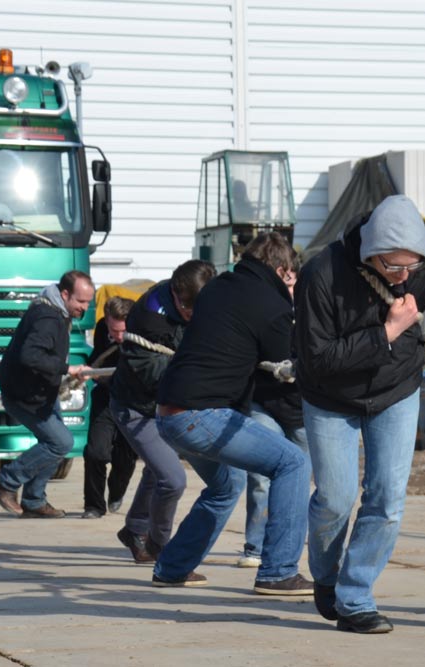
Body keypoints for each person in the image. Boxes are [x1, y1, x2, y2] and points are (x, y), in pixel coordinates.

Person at [295, 194, 425, 633]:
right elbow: (319, 359)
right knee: (336, 497)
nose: (404, 278)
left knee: (387, 499)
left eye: (411, 268)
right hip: (330, 396)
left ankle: (355, 595)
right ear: (370, 253)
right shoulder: (320, 275)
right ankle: (325, 577)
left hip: (395, 387)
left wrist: (408, 315)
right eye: (392, 267)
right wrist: (389, 330)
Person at [154, 232, 314, 595]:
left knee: (227, 484)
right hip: (202, 415)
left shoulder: (218, 286)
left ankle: (173, 567)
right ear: (283, 270)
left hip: (167, 412)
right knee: (293, 464)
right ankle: (279, 572)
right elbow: (285, 366)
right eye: (292, 275)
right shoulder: (272, 306)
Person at [109, 259, 217, 562]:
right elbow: (149, 369)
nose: (196, 315)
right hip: (136, 408)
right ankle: (160, 544)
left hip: (166, 405)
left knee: (157, 471)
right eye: (191, 309)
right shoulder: (148, 317)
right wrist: (194, 369)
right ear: (177, 296)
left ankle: (135, 528)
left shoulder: (200, 303)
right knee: (172, 479)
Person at [0, 270, 95, 518]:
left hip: (42, 391)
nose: (84, 308)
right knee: (60, 442)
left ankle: (34, 501)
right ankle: (5, 481)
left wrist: (68, 373)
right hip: (25, 396)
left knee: (54, 443)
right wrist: (68, 368)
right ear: (65, 294)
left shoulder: (53, 311)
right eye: (80, 301)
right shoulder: (48, 318)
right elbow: (30, 356)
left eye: (88, 302)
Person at [237, 257, 309, 569]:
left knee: (301, 480)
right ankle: (255, 547)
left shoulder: (311, 310)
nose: (285, 288)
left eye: (290, 282)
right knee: (261, 476)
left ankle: (288, 546)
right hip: (264, 403)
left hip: (304, 408)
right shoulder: (263, 310)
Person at [82, 296, 138, 519]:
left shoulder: (141, 335)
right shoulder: (101, 330)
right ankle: (94, 505)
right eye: (113, 331)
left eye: (122, 331)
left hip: (133, 402)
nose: (118, 337)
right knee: (95, 452)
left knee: (125, 456)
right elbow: (98, 360)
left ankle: (116, 492)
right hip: (106, 397)